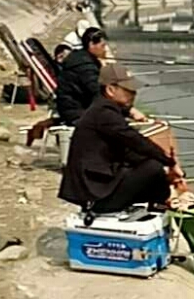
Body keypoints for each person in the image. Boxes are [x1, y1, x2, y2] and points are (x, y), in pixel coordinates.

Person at [59, 63, 181, 212]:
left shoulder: (104, 109)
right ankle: (163, 203)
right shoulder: (104, 113)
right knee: (153, 167)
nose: (133, 95)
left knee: (149, 167)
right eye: (128, 90)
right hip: (95, 195)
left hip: (99, 186)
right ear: (110, 89)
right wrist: (169, 162)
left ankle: (160, 204)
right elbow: (136, 141)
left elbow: (129, 150)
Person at [56, 27, 109, 125]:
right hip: (76, 112)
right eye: (103, 46)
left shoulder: (82, 58)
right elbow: (97, 91)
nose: (105, 49)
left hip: (74, 108)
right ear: (91, 44)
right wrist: (128, 110)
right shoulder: (85, 66)